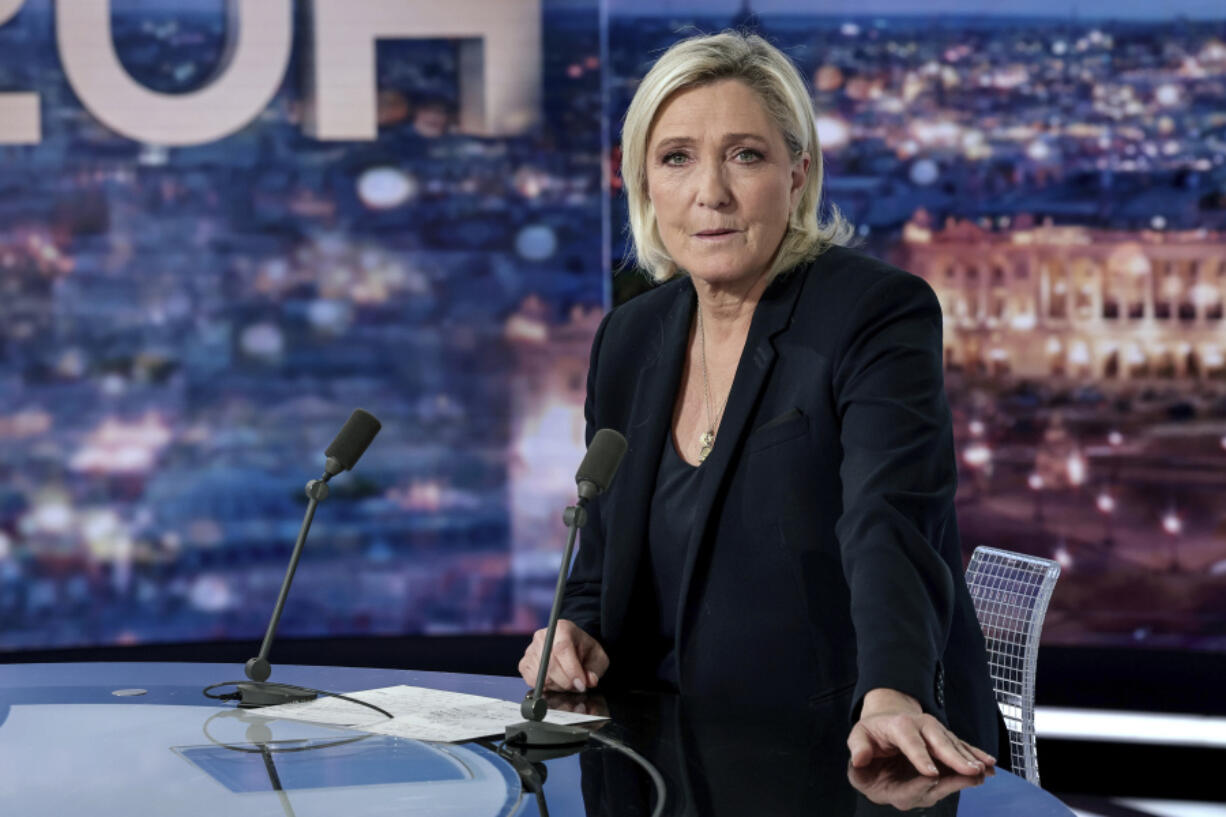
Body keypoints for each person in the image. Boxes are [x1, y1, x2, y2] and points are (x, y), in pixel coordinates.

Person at [518, 31, 1000, 778]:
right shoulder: (629, 336)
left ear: (798, 175)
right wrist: (573, 627)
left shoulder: (874, 312)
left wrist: (893, 688)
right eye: (676, 157)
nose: (710, 192)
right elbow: (604, 544)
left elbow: (890, 518)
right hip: (657, 747)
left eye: (745, 154)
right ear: (642, 182)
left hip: (838, 745)